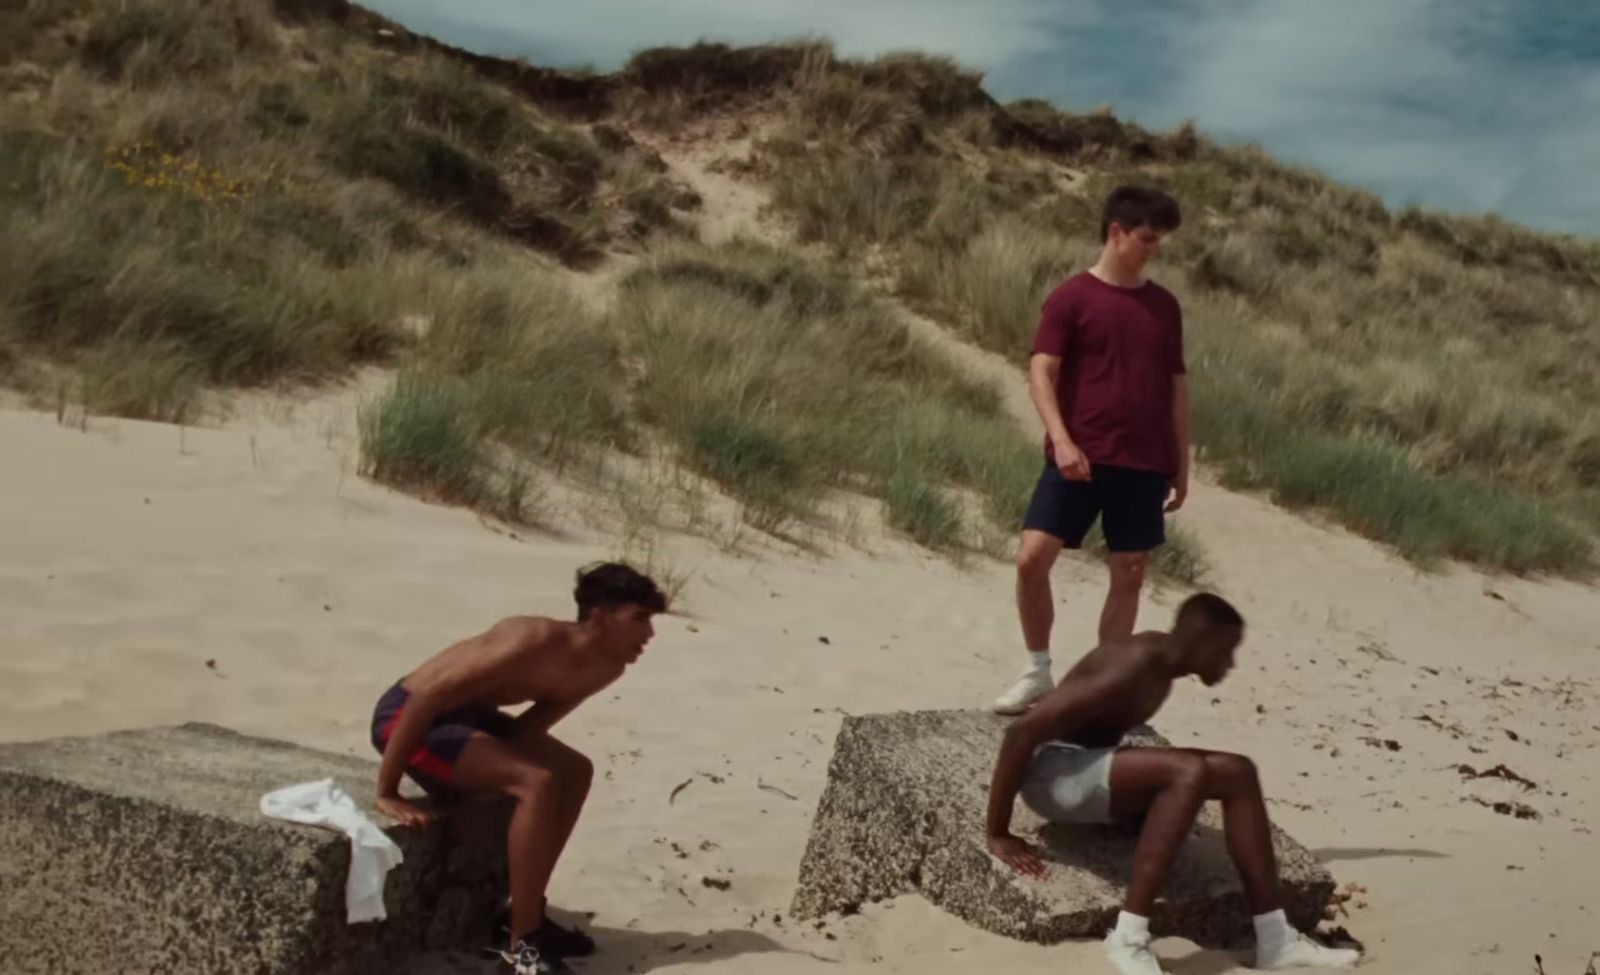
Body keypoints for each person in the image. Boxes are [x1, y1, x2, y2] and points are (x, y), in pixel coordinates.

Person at [984, 593, 1360, 974]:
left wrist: (1132, 792)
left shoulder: (1162, 669)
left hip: (1086, 772)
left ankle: (1276, 940)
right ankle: (1128, 938)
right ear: (1198, 641)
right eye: (1225, 651)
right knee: (1186, 771)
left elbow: (1101, 730)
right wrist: (998, 832)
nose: (1229, 664)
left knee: (1239, 771)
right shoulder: (1133, 663)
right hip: (1052, 777)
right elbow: (1021, 731)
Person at [370, 562, 668, 975]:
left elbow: (527, 731)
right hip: (407, 718)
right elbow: (426, 697)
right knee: (537, 783)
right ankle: (521, 948)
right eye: (639, 619)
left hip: (468, 721)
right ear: (599, 617)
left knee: (575, 770)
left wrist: (492, 769)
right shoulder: (532, 638)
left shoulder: (606, 667)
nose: (649, 634)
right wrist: (387, 791)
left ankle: (525, 913)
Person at [994, 185, 1191, 716]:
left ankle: (1101, 687)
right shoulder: (1072, 297)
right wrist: (1060, 438)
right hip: (1078, 455)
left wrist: (1183, 462)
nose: (1153, 248)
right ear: (1116, 232)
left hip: (1144, 460)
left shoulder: (1164, 307)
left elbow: (1176, 387)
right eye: (1147, 238)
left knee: (1129, 570)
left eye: (1159, 240)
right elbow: (1041, 371)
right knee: (1032, 559)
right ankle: (1037, 670)